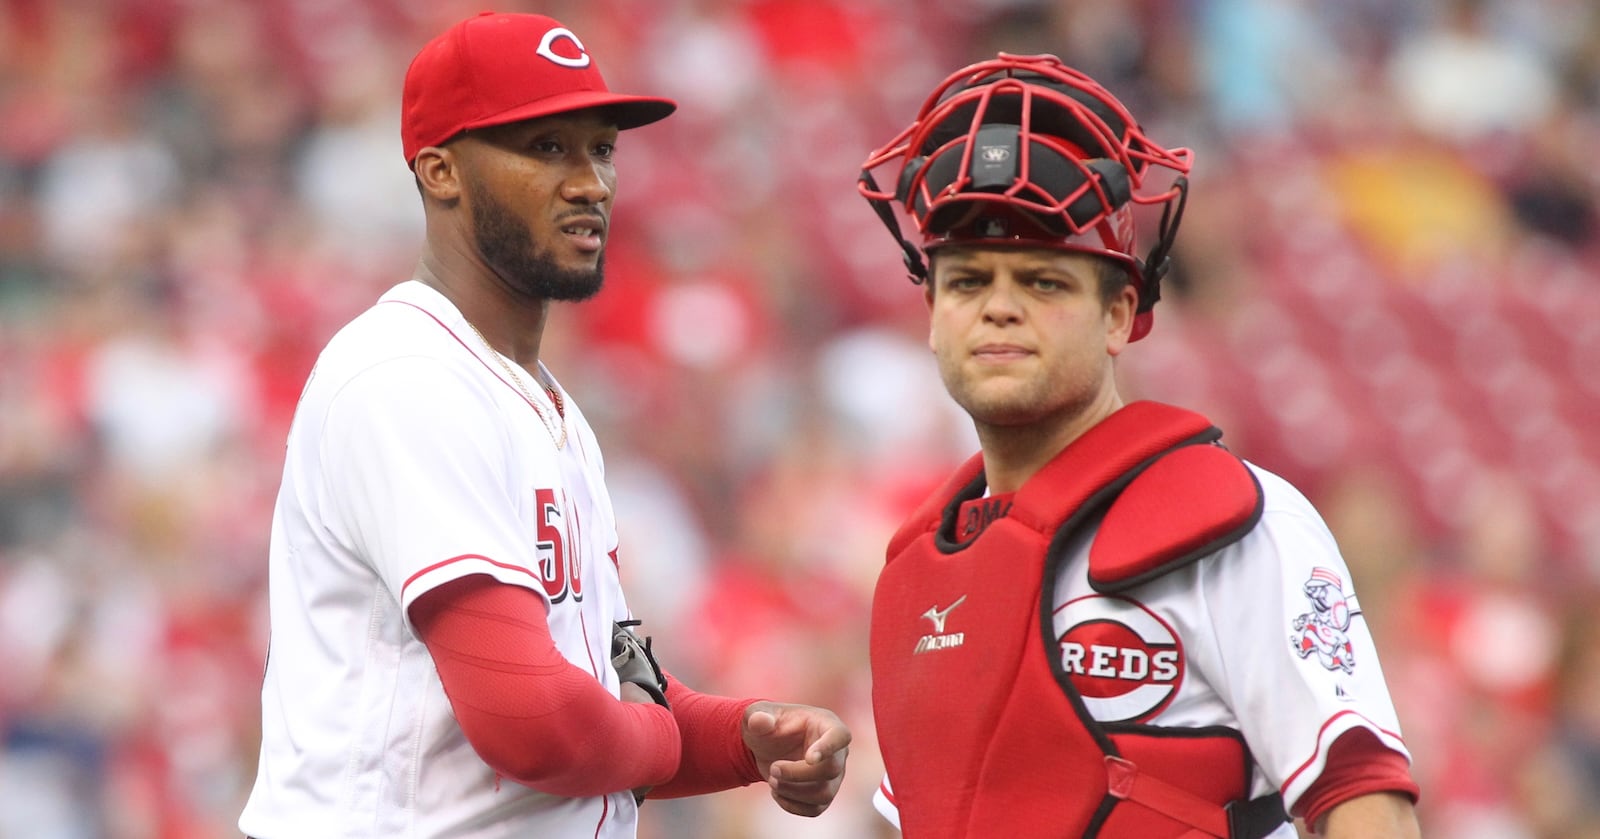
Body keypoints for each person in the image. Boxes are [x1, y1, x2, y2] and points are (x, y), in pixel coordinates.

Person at [238, 12, 849, 838]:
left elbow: (616, 685)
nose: (591, 182)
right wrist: (665, 736)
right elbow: (534, 722)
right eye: (546, 147)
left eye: (601, 148)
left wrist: (742, 736)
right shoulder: (406, 375)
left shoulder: (541, 402)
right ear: (442, 170)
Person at [855, 54, 1420, 838]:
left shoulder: (1231, 521)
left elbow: (1365, 799)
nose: (1000, 308)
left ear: (1121, 314)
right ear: (931, 311)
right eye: (968, 280)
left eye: (1045, 281)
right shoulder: (921, 567)